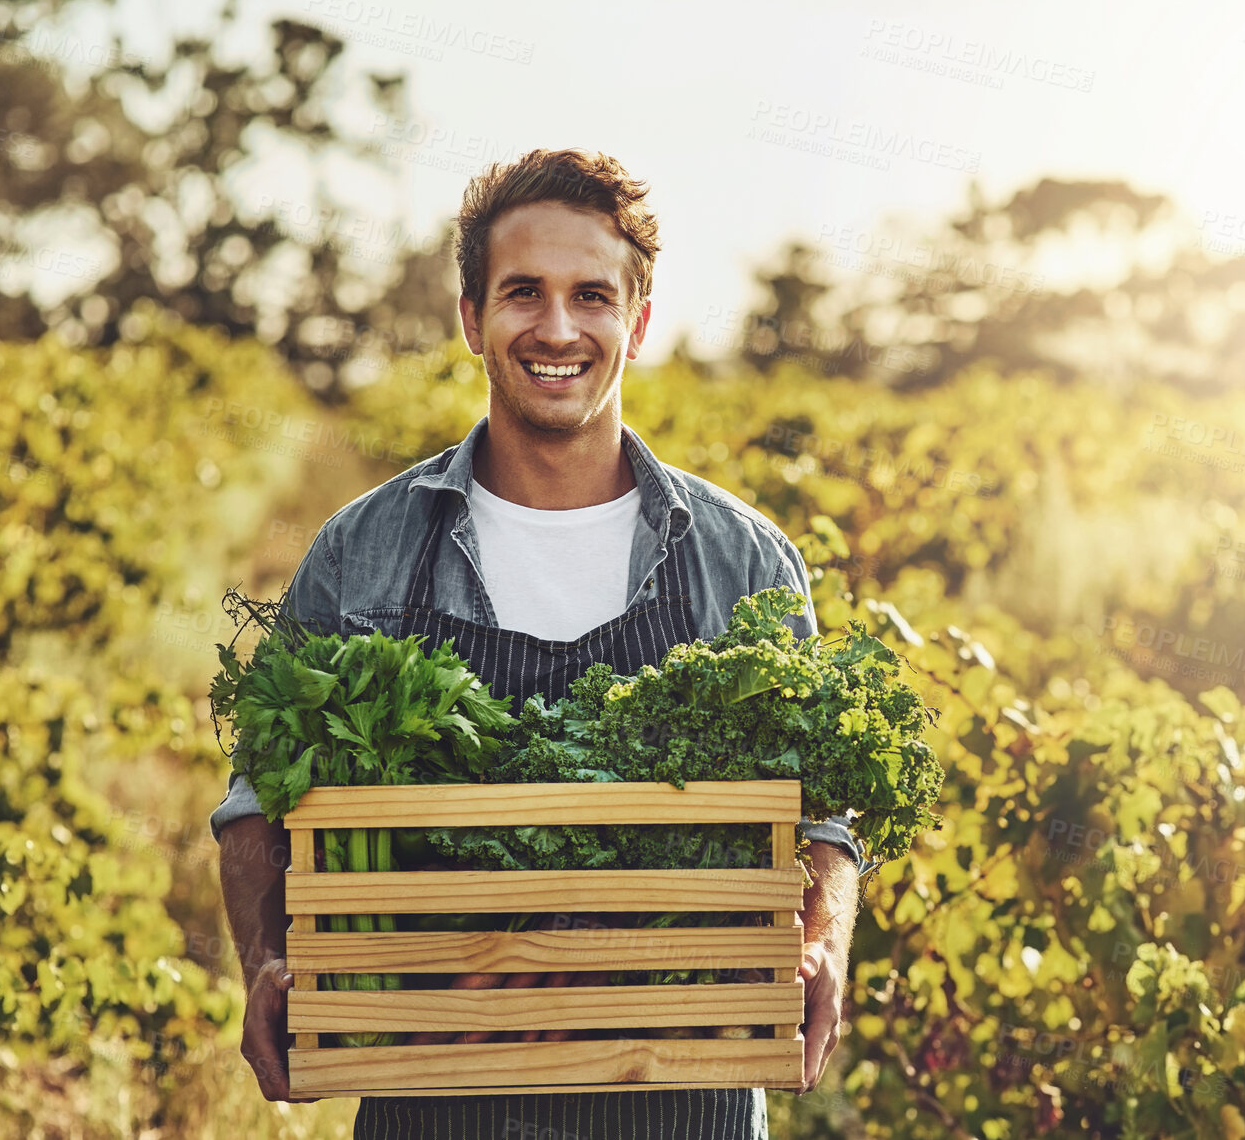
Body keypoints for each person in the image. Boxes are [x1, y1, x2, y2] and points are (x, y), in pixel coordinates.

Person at [211, 147, 872, 1138]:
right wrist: (267, 951)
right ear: (471, 317)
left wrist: (821, 945)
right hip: (431, 1092)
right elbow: (261, 795)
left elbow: (821, 815)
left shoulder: (743, 561)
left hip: (687, 1096)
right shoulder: (368, 550)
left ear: (637, 323)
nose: (557, 328)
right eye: (523, 292)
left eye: (591, 296)